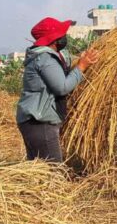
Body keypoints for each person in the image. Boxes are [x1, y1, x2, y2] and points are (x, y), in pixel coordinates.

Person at [16, 17, 99, 162]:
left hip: (34, 121)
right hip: (39, 122)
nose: (64, 38)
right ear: (54, 39)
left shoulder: (43, 56)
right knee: (54, 171)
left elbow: (58, 78)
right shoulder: (45, 58)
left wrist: (78, 63)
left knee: (38, 170)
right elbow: (62, 87)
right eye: (62, 35)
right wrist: (82, 67)